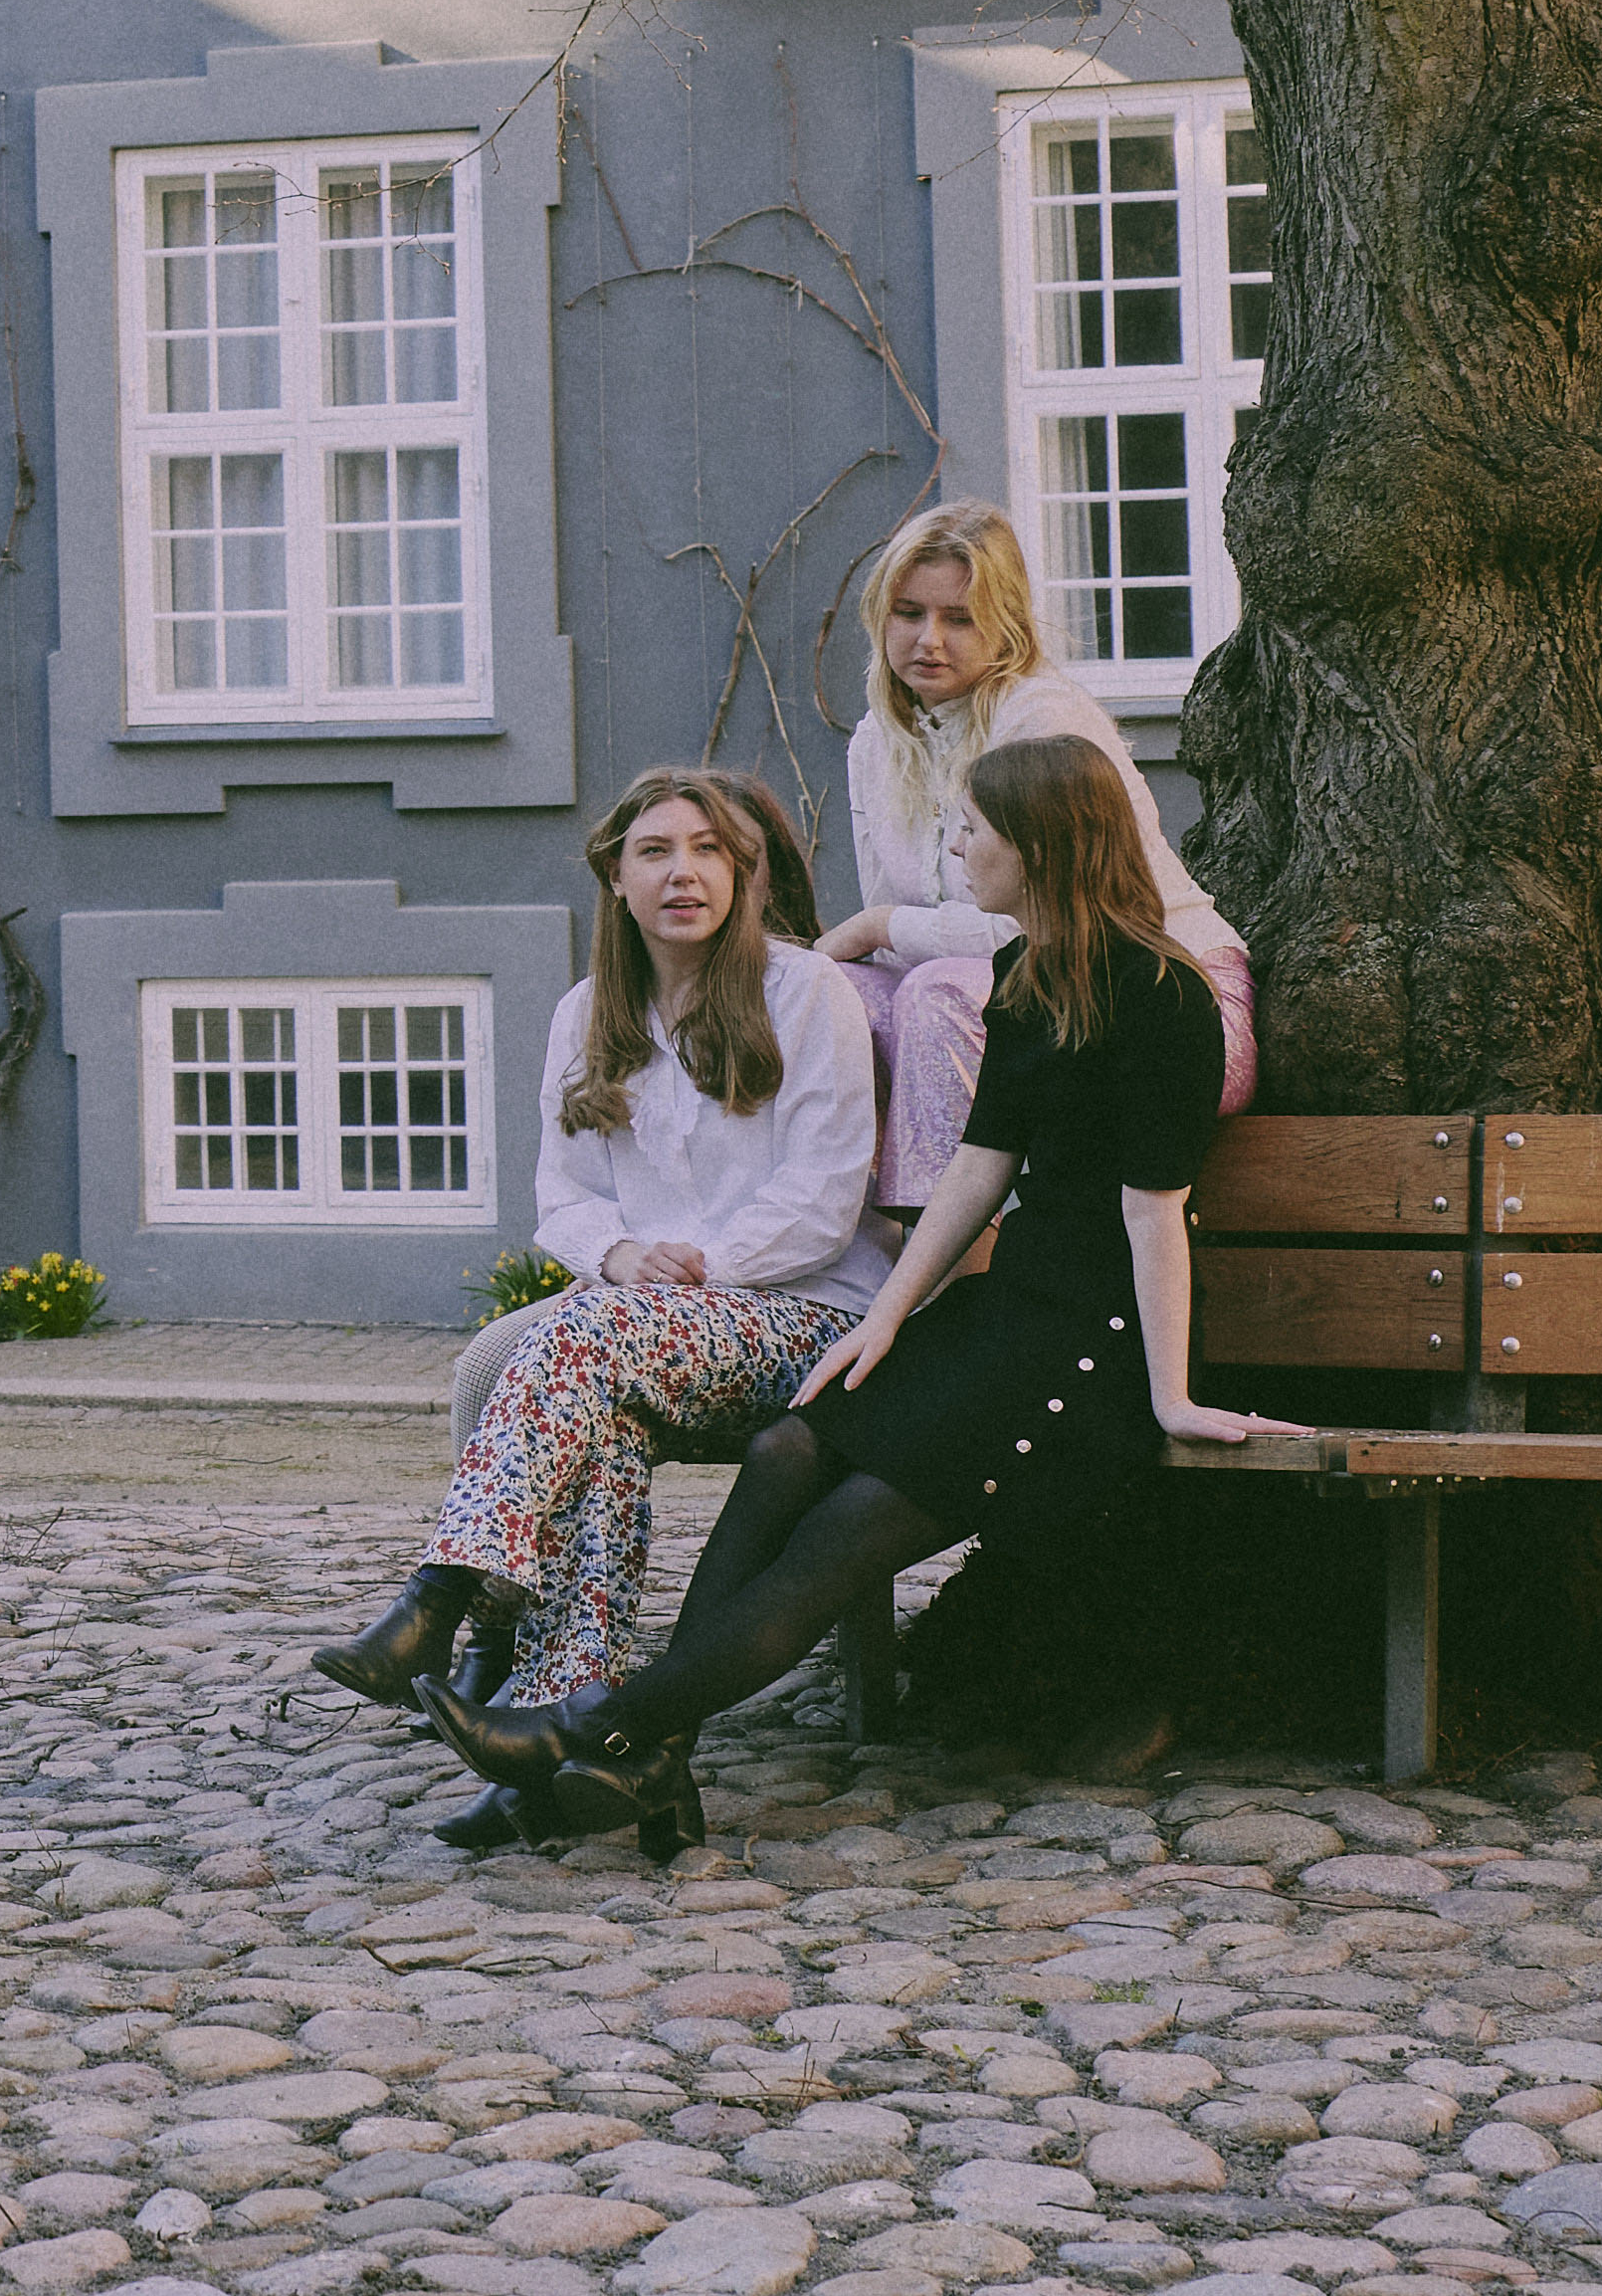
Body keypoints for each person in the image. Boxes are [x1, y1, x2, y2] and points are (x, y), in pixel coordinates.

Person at [424, 727, 1275, 1859]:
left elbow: (1153, 1213)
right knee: (788, 1446)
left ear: (1039, 843)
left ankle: (595, 1731)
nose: (957, 850)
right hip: (1004, 1316)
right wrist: (882, 1322)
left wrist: (1168, 1395)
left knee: (840, 1534)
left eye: (972, 830)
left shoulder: (1164, 996)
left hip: (1090, 1346)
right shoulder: (1024, 976)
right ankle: (647, 1755)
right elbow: (977, 1171)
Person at [302, 768, 880, 1835]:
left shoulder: (806, 991)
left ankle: (442, 1598)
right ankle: (563, 1750)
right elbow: (560, 1195)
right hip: (636, 1332)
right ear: (615, 876)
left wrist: (684, 1268)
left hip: (809, 1320)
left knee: (585, 1332)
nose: (683, 873)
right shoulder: (586, 1013)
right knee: (600, 1432)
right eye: (655, 851)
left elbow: (824, 1198)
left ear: (741, 874)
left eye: (708, 850)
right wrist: (617, 1253)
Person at [818, 500, 1254, 1206]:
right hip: (1031, 1001)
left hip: (1164, 1005)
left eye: (960, 619)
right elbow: (895, 928)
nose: (929, 639)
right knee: (837, 999)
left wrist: (880, 927)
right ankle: (847, 1244)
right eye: (909, 613)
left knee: (935, 995)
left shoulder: (1041, 717)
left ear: (1007, 625)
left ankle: (952, 1260)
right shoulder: (876, 740)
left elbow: (1053, 928)